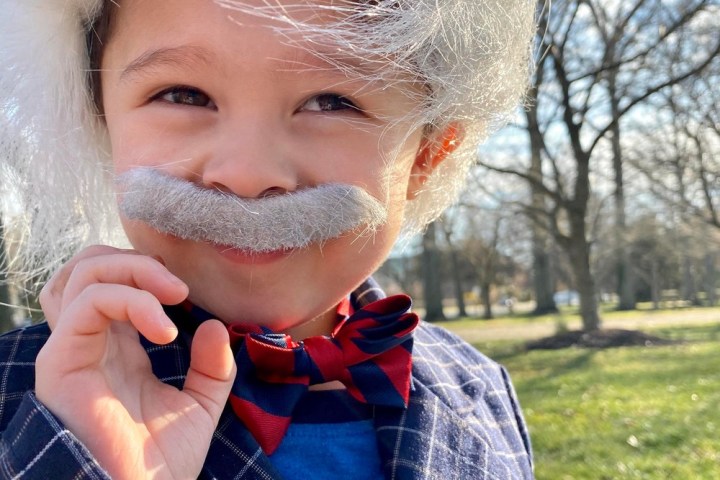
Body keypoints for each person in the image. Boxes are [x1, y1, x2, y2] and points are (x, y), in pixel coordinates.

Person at [0, 0, 536, 478]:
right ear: (101, 123)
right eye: (183, 94)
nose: (248, 175)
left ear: (424, 157)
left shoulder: (480, 388)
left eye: (332, 102)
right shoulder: (21, 391)